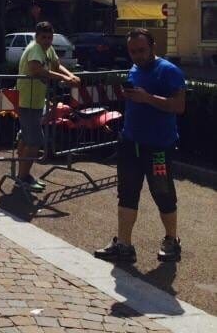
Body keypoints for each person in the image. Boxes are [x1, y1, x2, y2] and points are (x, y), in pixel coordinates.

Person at [94, 28, 185, 264]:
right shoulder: (134, 69)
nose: (137, 56)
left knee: (163, 193)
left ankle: (171, 240)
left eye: (141, 50)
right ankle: (124, 245)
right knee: (127, 193)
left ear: (153, 46)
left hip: (158, 147)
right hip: (130, 143)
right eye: (133, 52)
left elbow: (179, 106)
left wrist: (147, 98)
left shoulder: (169, 71)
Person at [15, 21, 80, 192]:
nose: (47, 41)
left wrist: (71, 75)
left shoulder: (48, 49)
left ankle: (22, 175)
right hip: (27, 101)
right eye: (43, 37)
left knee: (27, 138)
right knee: (35, 141)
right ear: (37, 37)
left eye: (49, 37)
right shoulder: (35, 49)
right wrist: (65, 78)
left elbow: (56, 65)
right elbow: (36, 69)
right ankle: (22, 178)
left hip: (35, 101)